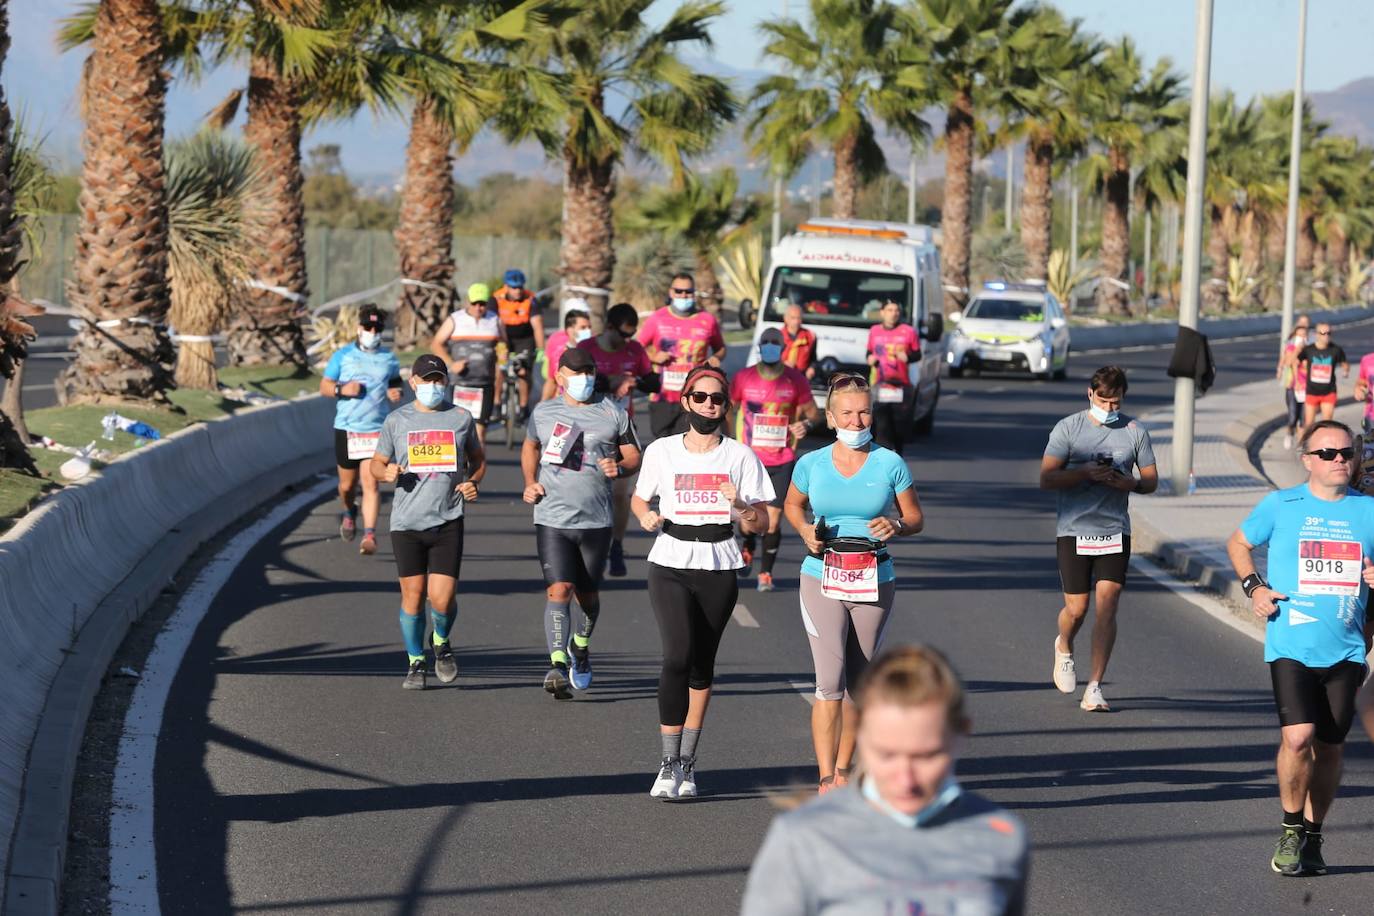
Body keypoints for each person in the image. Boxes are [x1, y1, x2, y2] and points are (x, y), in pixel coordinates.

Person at [740, 645, 1028, 916]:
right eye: (887, 755)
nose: (906, 779)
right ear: (860, 735)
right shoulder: (804, 838)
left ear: (962, 733)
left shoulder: (999, 837)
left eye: (926, 756)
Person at [1226, 419, 1374, 877]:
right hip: (1290, 643)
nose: (1339, 461)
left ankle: (1313, 833)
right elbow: (1238, 542)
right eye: (1328, 454)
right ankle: (1290, 829)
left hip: (1348, 649)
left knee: (1329, 748)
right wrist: (1254, 587)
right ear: (1307, 459)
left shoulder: (1369, 511)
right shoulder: (1281, 504)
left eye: (1346, 453)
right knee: (1298, 737)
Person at [631, 366, 773, 799]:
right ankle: (666, 763)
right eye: (700, 396)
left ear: (726, 406)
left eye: (717, 398)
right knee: (676, 656)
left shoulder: (741, 457)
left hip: (719, 560)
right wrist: (645, 515)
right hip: (670, 559)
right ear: (686, 401)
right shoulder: (662, 450)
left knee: (701, 665)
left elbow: (763, 523)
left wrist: (741, 507)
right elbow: (641, 497)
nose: (708, 404)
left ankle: (688, 765)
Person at [783, 372, 924, 791]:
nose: (857, 421)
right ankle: (826, 775)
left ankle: (844, 768)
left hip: (874, 577)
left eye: (864, 412)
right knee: (829, 680)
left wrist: (897, 525)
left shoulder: (890, 462)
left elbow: (916, 518)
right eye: (847, 413)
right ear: (830, 417)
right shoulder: (811, 464)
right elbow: (792, 505)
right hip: (821, 574)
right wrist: (805, 530)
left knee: (858, 683)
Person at [522, 347, 641, 698]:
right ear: (559, 376)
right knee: (559, 590)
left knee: (587, 597)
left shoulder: (612, 412)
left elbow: (634, 453)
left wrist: (620, 467)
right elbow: (530, 446)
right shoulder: (543, 413)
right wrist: (530, 482)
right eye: (575, 372)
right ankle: (558, 664)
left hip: (596, 520)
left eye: (588, 371)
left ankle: (581, 647)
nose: (583, 378)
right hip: (552, 517)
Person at [1038, 365, 1158, 713]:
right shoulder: (1068, 429)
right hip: (1074, 530)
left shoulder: (1135, 432)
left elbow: (1150, 480)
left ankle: (1094, 687)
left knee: (1109, 603)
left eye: (1115, 402)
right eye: (1103, 400)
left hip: (1114, 531)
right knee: (1077, 609)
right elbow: (1046, 479)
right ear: (1090, 394)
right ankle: (1064, 645)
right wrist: (1082, 474)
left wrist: (1130, 484)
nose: (1108, 408)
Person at [370, 354, 487, 691]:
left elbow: (477, 460)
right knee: (413, 594)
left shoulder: (461, 418)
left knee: (442, 599)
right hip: (406, 522)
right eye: (427, 380)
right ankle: (416, 662)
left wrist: (473, 481)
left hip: (448, 518)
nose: (433, 386)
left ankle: (441, 639)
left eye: (439, 380)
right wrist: (386, 472)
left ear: (446, 382)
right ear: (413, 383)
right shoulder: (397, 420)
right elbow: (376, 464)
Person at [732, 327, 821, 590]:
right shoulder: (744, 377)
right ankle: (747, 546)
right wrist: (729, 440)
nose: (770, 346)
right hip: (750, 459)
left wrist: (805, 424)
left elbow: (813, 414)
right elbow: (729, 407)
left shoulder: (795, 379)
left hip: (782, 458)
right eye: (765, 342)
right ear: (759, 346)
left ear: (783, 347)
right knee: (749, 521)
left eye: (775, 342)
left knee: (772, 520)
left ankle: (765, 574)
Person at [579, 302, 656, 577]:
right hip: (589, 427)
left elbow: (652, 382)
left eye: (631, 334)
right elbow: (578, 382)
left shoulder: (635, 350)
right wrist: (612, 381)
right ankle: (589, 545)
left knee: (621, 494)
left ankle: (617, 546)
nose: (627, 340)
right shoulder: (587, 348)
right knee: (588, 490)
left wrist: (635, 380)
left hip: (623, 427)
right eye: (622, 335)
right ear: (608, 327)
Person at [319, 304, 403, 555]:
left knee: (371, 483)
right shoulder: (343, 356)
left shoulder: (389, 358)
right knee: (347, 486)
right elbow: (324, 386)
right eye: (368, 327)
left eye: (377, 328)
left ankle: (369, 535)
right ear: (359, 329)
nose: (372, 332)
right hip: (348, 429)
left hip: (376, 430)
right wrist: (341, 390)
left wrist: (395, 392)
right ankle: (348, 510)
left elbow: (395, 383)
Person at [638, 272, 727, 440]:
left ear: (694, 293)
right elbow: (637, 348)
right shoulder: (657, 318)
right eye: (679, 291)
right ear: (671, 292)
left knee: (688, 443)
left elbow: (721, 348)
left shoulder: (707, 320)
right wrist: (653, 356)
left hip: (694, 397)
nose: (683, 295)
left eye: (688, 291)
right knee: (663, 445)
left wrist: (716, 358)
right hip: (663, 397)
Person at [429, 282, 506, 447]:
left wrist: (502, 354)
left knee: (480, 434)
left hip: (484, 384)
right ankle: (459, 467)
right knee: (458, 430)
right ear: (467, 302)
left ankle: (476, 471)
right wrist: (451, 363)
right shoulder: (455, 319)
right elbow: (436, 343)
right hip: (460, 384)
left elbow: (503, 344)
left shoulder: (495, 320)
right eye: (475, 303)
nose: (478, 308)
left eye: (482, 304)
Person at [865, 299, 920, 455]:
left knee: (899, 426)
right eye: (889, 310)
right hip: (880, 384)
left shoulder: (908, 331)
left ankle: (898, 455)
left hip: (901, 385)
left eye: (896, 310)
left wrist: (908, 357)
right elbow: (869, 352)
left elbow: (917, 354)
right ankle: (883, 460)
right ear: (882, 312)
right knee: (881, 426)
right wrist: (870, 358)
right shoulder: (874, 330)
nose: (893, 313)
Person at [493, 269, 545, 426]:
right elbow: (492, 322)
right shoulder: (496, 299)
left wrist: (541, 349)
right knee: (500, 369)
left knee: (523, 371)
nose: (517, 291)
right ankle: (496, 404)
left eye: (520, 287)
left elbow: (537, 327)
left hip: (525, 338)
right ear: (506, 286)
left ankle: (523, 407)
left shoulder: (531, 299)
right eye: (513, 287)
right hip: (503, 338)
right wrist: (498, 345)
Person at [1297, 323, 1349, 439]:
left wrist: (1346, 371)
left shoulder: (1336, 350)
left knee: (1327, 422)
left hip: (1329, 391)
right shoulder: (1308, 350)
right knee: (1309, 423)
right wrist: (1298, 381)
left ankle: (1322, 445)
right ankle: (1306, 445)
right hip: (1312, 391)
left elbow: (1344, 363)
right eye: (1323, 333)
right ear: (1316, 335)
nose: (1326, 336)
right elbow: (1296, 362)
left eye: (1329, 333)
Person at [541, 305, 593, 402]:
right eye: (583, 327)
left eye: (589, 327)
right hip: (564, 406)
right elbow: (551, 381)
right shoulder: (559, 354)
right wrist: (542, 406)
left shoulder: (595, 351)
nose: (588, 331)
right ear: (570, 330)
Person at [1276, 316, 1310, 449]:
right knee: (1292, 416)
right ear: (1295, 336)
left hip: (1307, 387)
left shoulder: (1310, 349)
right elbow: (1288, 362)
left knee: (1303, 419)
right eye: (1299, 335)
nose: (1301, 338)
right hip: (1292, 386)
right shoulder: (1290, 347)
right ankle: (1289, 433)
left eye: (1304, 335)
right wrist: (1297, 349)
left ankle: (1301, 443)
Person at [780, 304, 818, 379]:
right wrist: (782, 365)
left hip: (801, 378)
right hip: (781, 378)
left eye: (799, 318)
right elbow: (769, 360)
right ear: (785, 318)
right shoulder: (777, 336)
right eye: (793, 318)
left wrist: (812, 368)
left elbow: (813, 359)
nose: (796, 321)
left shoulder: (810, 336)